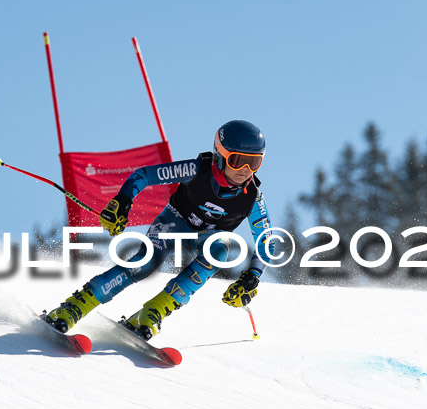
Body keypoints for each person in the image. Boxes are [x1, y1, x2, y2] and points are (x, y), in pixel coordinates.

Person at [46, 119, 273, 340]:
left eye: (254, 163)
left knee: (219, 253)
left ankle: (153, 312)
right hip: (175, 223)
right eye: (237, 160)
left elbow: (266, 241)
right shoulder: (196, 170)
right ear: (220, 155)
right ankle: (76, 305)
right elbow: (144, 175)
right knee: (143, 265)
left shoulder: (253, 197)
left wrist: (252, 277)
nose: (245, 170)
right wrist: (123, 201)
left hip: (209, 237)